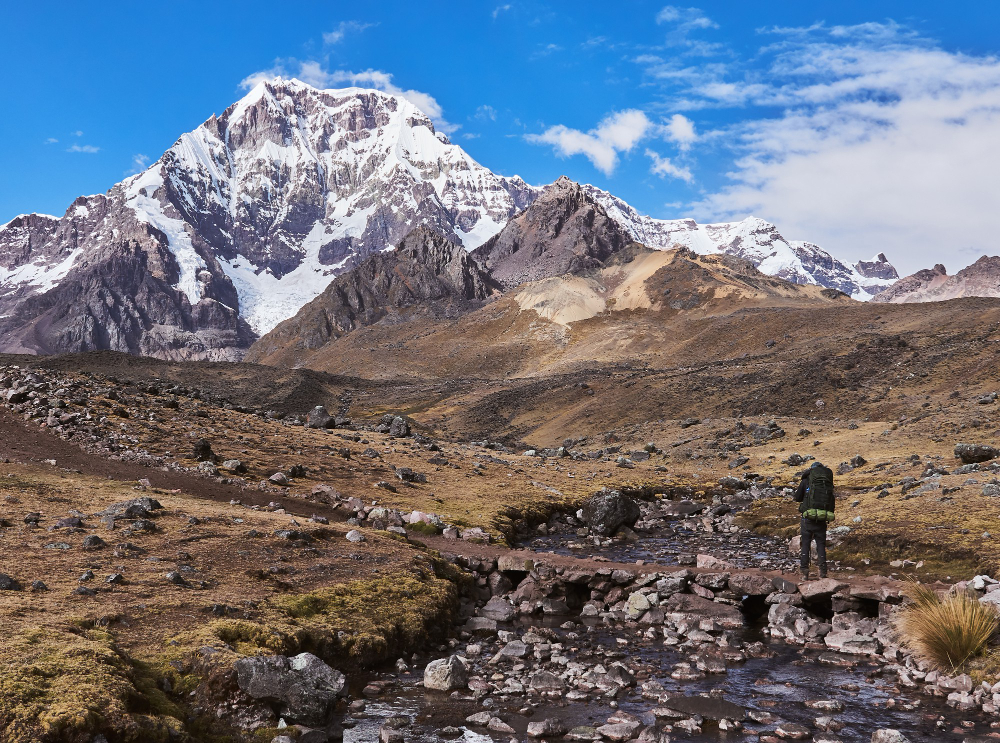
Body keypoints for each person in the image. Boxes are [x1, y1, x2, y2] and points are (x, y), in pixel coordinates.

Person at [793, 461, 835, 580]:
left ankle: (804, 573)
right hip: (822, 518)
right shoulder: (827, 483)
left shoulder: (806, 480)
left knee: (805, 544)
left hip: (807, 518)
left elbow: (797, 497)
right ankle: (823, 572)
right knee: (820, 544)